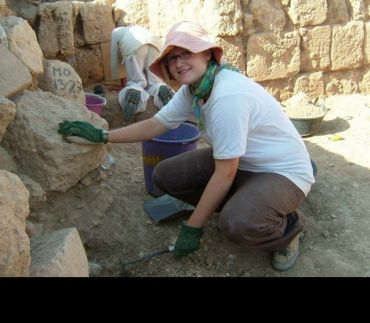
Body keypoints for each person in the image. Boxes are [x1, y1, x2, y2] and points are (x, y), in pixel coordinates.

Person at [58, 21, 316, 272]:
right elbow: (156, 125)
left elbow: (225, 172)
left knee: (238, 224)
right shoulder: (195, 90)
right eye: (171, 58)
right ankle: (247, 201)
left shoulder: (228, 97)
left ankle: (288, 229)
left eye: (186, 54)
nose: (178, 63)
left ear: (206, 54)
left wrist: (193, 228)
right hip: (244, 165)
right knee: (165, 176)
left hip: (282, 172)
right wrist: (103, 135)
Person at [110, 26, 175, 122]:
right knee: (155, 81)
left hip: (133, 45)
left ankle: (133, 90)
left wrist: (120, 81)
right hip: (156, 43)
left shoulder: (115, 32)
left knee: (136, 82)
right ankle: (160, 88)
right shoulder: (138, 29)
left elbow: (115, 60)